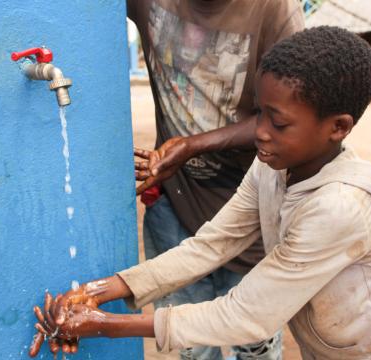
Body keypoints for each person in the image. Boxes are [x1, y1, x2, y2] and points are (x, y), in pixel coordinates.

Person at [30, 26, 371, 359]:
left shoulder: (341, 207)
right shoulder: (272, 168)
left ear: (338, 128)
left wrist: (105, 326)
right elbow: (211, 244)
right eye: (260, 113)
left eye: (279, 123)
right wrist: (101, 290)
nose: (259, 132)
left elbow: (246, 315)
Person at [130, 1, 304, 359]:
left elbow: (292, 116)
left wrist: (192, 145)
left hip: (255, 213)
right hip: (174, 205)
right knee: (193, 348)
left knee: (255, 348)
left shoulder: (275, 11)